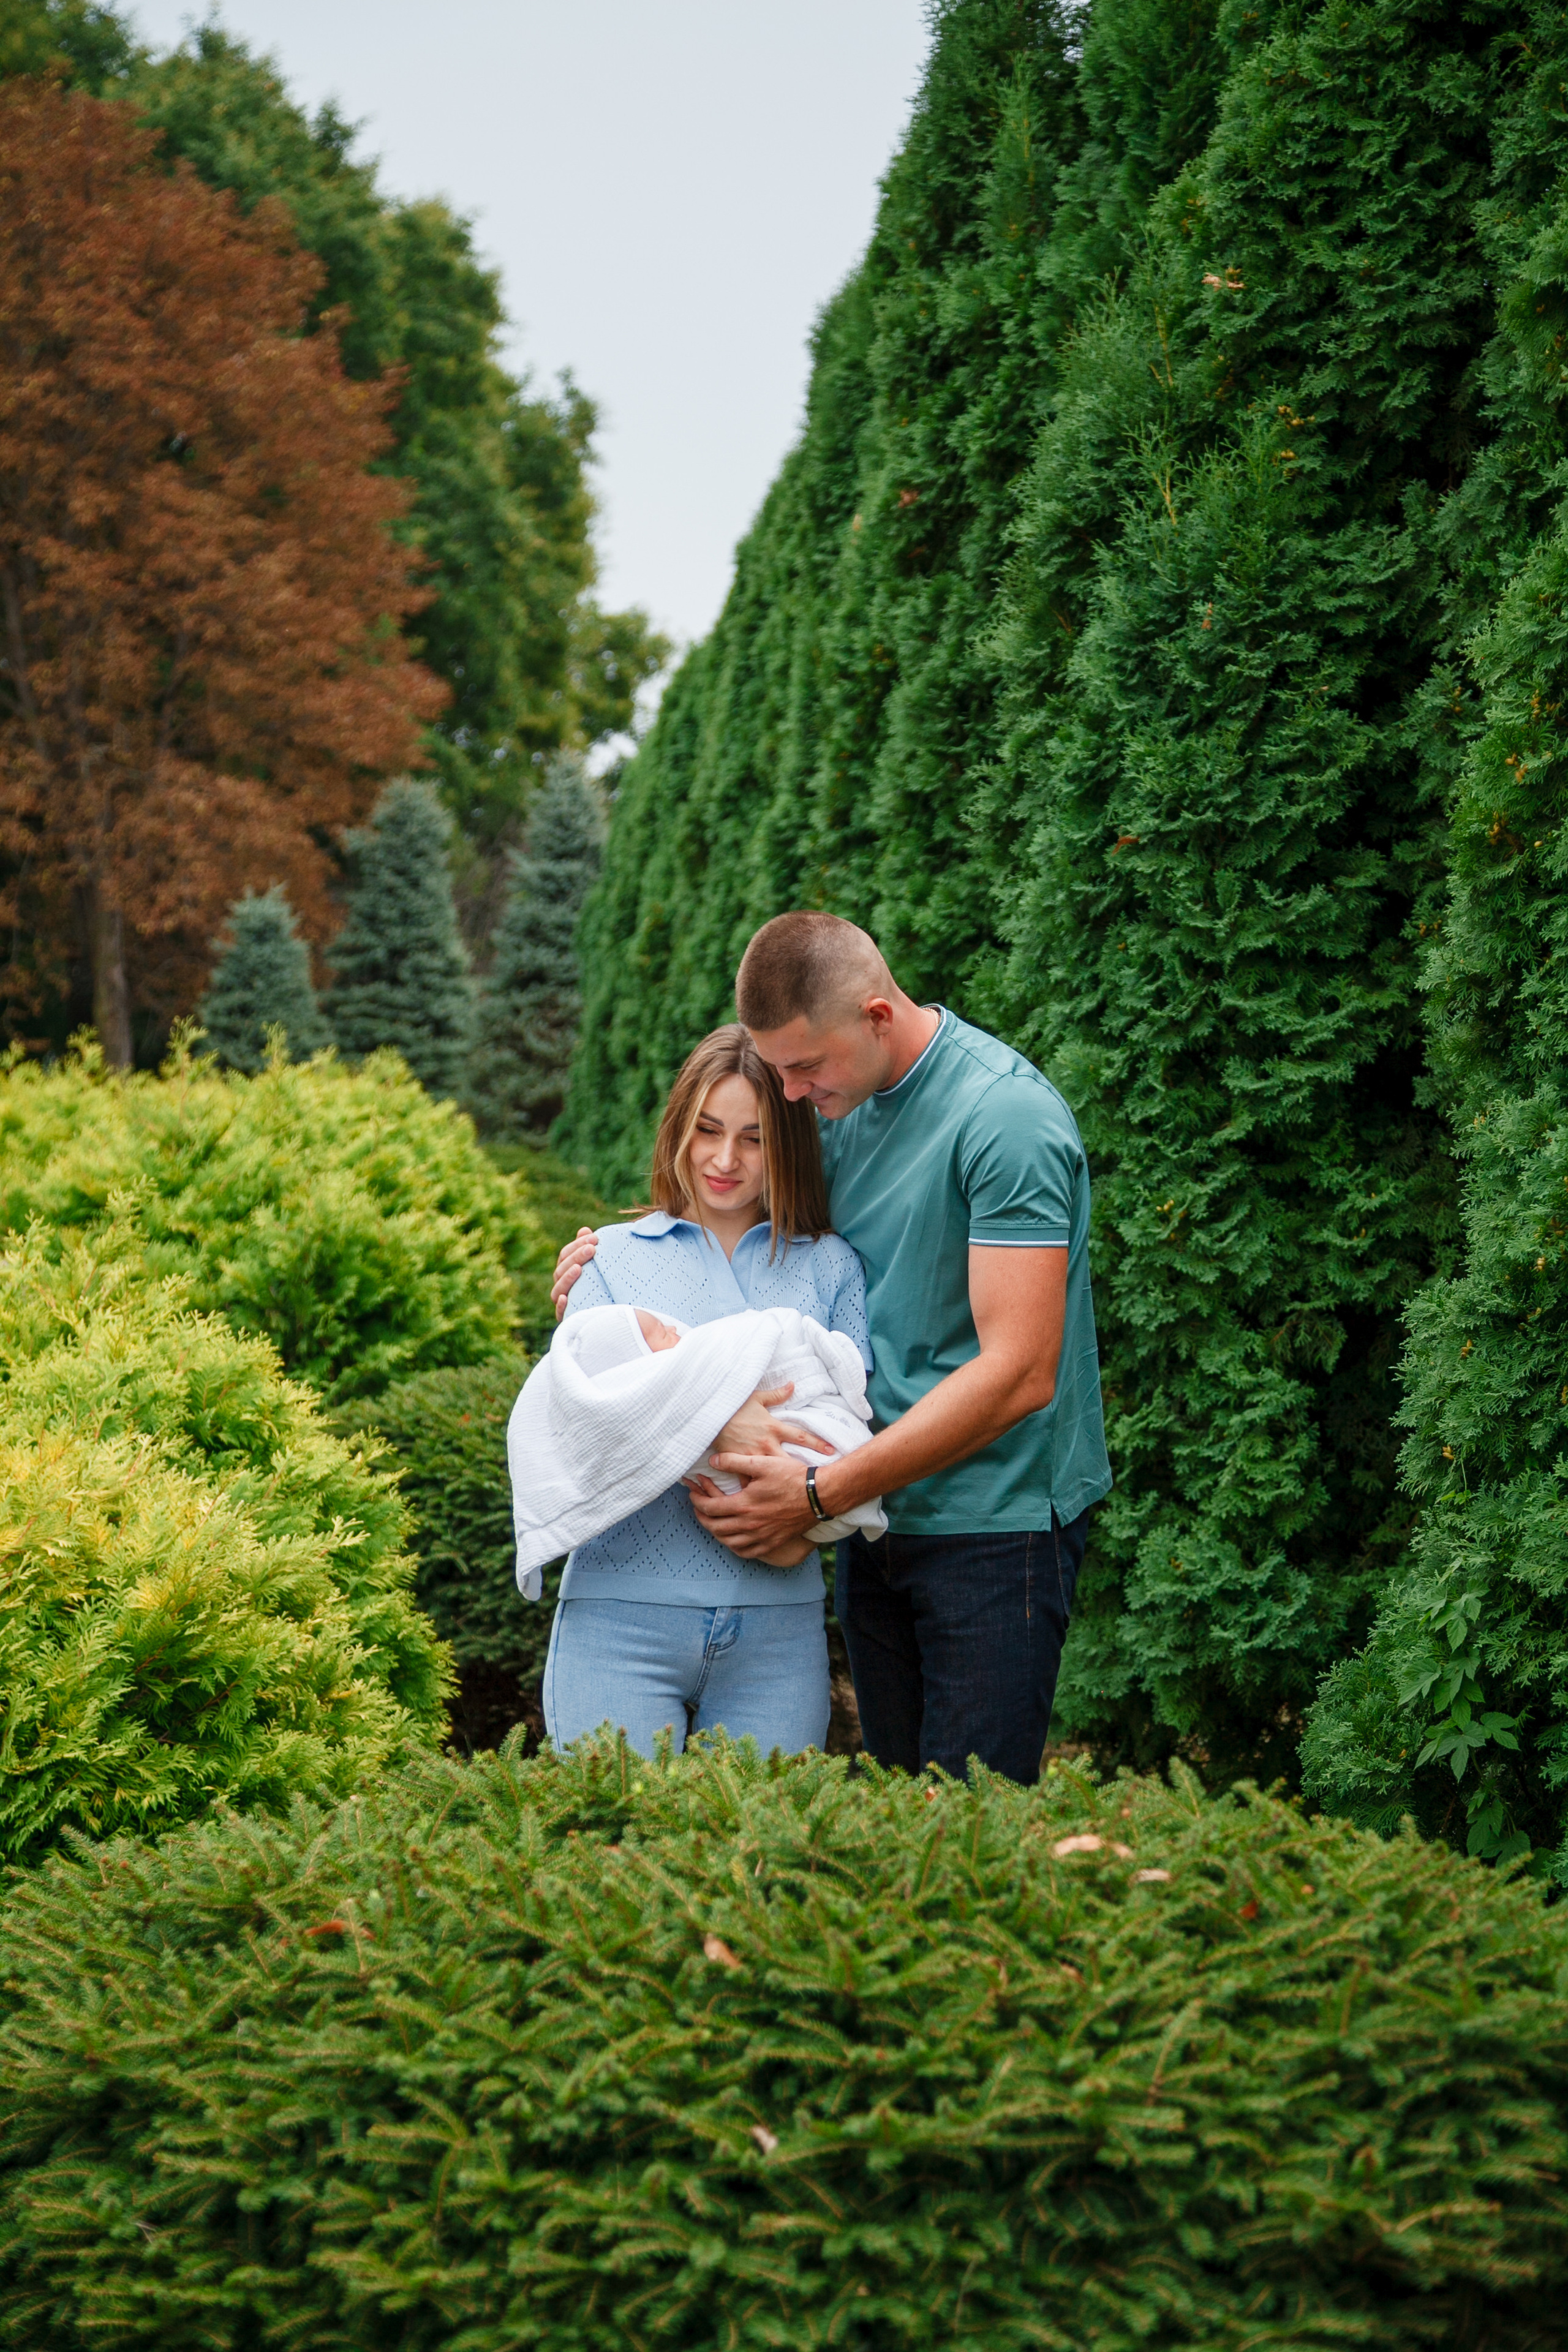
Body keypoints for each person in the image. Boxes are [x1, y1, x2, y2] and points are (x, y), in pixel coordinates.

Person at [554, 912, 1111, 1785]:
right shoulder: (834, 1099)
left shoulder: (1005, 1120)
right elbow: (747, 1254)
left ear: (878, 1017)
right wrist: (601, 1289)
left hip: (989, 1529)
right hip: (871, 1525)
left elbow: (1021, 1373)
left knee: (969, 1829)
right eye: (779, 1070)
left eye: (803, 1068)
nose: (788, 1095)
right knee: (890, 1817)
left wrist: (818, 1492)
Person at [537, 1022, 870, 1758]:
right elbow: (584, 1428)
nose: (725, 1160)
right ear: (677, 1130)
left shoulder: (831, 1269)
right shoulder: (608, 1259)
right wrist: (729, 1421)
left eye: (753, 1138)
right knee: (608, 1852)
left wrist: (795, 1527)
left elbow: (852, 1430)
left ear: (785, 1144)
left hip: (779, 1635)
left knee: (761, 1864)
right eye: (708, 1130)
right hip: (617, 1621)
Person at [506, 1299, 883, 1586]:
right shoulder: (601, 1259)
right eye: (661, 1334)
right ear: (643, 1369)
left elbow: (771, 1337)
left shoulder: (831, 1256)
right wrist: (716, 1413)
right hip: (632, 1588)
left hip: (826, 1496)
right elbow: (612, 1414)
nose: (675, 1330)